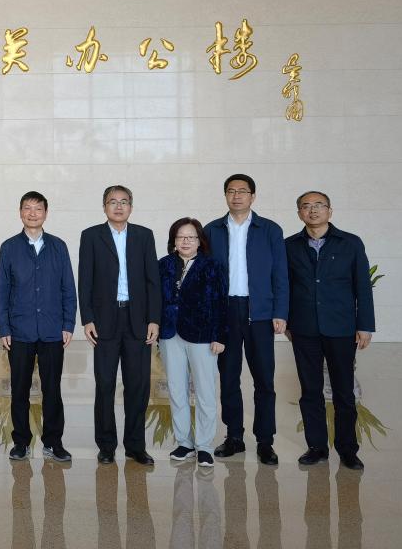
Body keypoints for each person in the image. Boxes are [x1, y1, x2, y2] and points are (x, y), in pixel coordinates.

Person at [286, 191, 375, 470]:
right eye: (306, 206)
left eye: (319, 205)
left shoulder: (350, 243)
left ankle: (347, 449)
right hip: (304, 328)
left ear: (330, 211)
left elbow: (362, 287)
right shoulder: (289, 246)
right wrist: (286, 321)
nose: (313, 210)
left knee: (344, 392)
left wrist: (365, 325)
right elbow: (284, 286)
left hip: (341, 327)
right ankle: (316, 447)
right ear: (299, 213)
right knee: (310, 390)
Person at [205, 174, 288, 465]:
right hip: (226, 312)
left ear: (253, 196)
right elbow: (205, 276)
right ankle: (234, 437)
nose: (237, 195)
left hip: (259, 313)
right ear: (225, 195)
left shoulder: (270, 230)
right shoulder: (212, 230)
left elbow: (280, 274)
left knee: (264, 379)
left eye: (243, 191)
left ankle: (265, 441)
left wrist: (280, 312)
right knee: (228, 378)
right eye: (231, 191)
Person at [78, 185, 160, 465]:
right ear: (104, 207)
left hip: (138, 320)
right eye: (112, 202)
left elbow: (152, 281)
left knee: (138, 385)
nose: (118, 206)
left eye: (124, 202)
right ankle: (106, 445)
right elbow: (85, 280)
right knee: (105, 384)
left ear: (131, 207)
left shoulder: (144, 236)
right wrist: (87, 318)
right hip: (104, 321)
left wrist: (154, 319)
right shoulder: (91, 236)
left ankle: (136, 446)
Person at [0, 191, 76, 463]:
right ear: (20, 212)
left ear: (46, 213)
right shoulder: (9, 247)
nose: (32, 213)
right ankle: (21, 442)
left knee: (52, 389)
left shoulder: (58, 246)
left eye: (38, 208)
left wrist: (68, 323)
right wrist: (4, 328)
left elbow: (68, 288)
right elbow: (2, 290)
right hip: (20, 330)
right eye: (27, 208)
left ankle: (53, 442)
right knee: (19, 389)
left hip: (53, 330)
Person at [158, 218, 228, 467]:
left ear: (200, 241)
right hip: (170, 334)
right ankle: (184, 443)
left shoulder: (212, 266)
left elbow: (221, 302)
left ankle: (205, 446)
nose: (185, 241)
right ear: (173, 241)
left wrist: (220, 335)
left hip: (203, 335)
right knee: (177, 390)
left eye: (191, 237)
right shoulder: (163, 265)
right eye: (180, 237)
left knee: (205, 391)